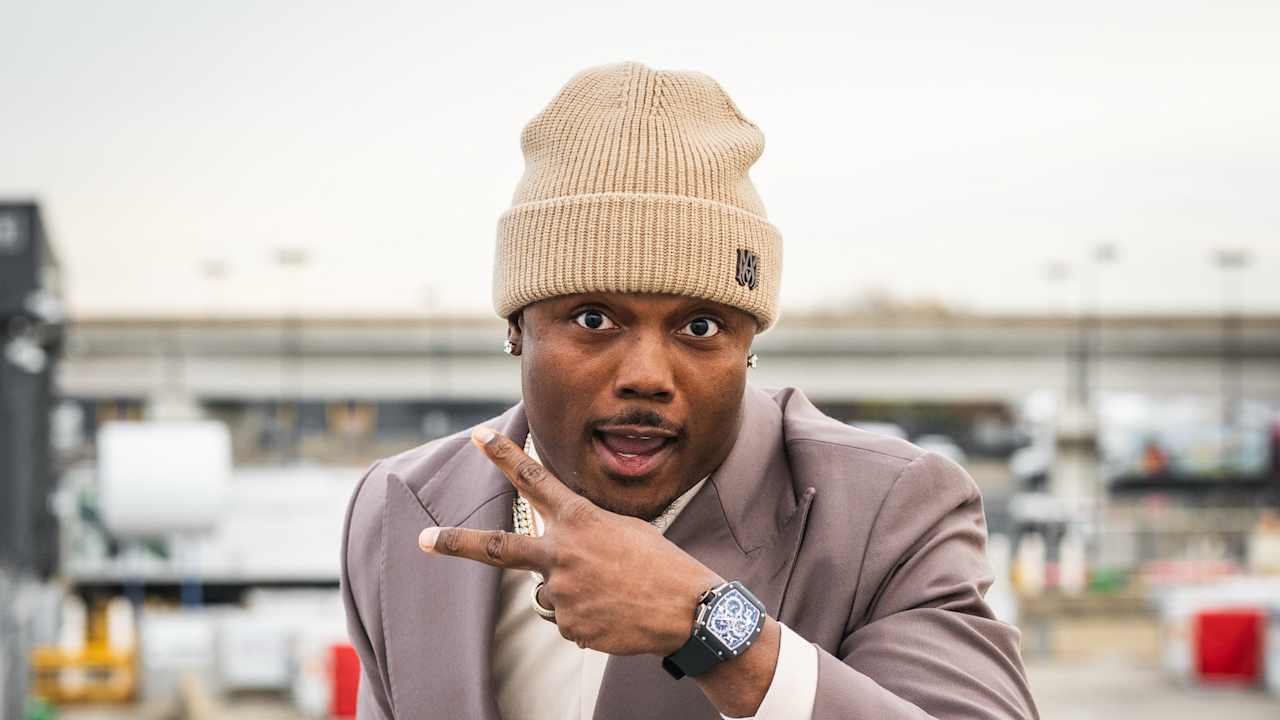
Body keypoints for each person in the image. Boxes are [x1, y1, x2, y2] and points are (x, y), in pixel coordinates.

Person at [340, 61, 1038, 719]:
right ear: (517, 325)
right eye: (594, 319)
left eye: (700, 326)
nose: (647, 375)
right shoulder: (402, 506)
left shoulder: (888, 514)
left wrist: (712, 630)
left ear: (749, 342)